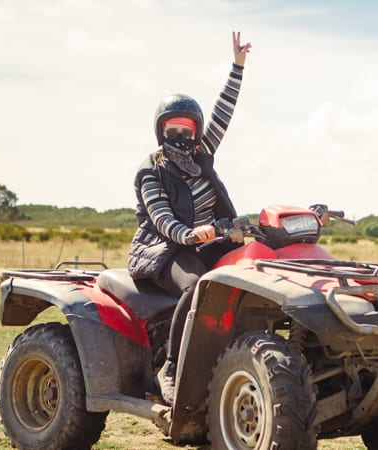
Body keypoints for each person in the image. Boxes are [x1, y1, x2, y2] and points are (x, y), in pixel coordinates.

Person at [128, 31, 251, 404]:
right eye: (172, 130)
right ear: (161, 131)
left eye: (187, 130)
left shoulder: (202, 157)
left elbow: (223, 114)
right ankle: (169, 367)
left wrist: (237, 67)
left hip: (208, 241)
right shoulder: (151, 170)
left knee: (249, 275)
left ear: (196, 134)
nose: (180, 136)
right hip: (162, 252)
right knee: (197, 287)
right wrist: (190, 234)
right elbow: (163, 220)